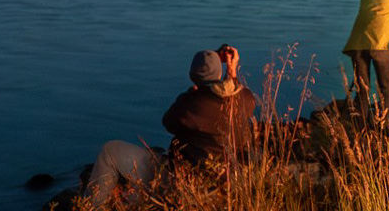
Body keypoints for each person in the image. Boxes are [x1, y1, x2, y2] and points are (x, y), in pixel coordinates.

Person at [82, 45, 259, 205]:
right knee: (156, 152)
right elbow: (232, 92)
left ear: (192, 77)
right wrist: (231, 70)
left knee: (110, 151)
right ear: (219, 74)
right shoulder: (245, 99)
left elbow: (168, 123)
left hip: (184, 183)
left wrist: (192, 92)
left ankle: (90, 207)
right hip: (224, 183)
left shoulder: (190, 103)